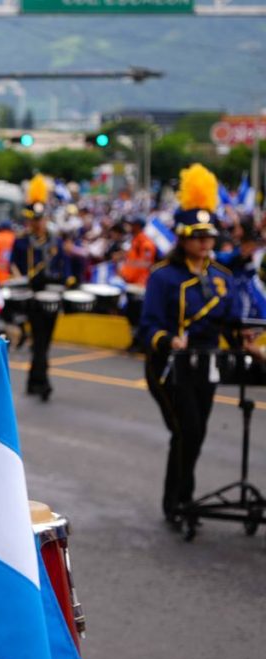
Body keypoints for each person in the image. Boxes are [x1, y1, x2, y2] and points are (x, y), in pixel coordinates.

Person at [138, 164, 255, 526]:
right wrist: (168, 340)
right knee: (186, 429)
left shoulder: (222, 277)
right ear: (182, 237)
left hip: (207, 363)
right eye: (197, 237)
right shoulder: (163, 276)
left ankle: (181, 500)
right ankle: (178, 502)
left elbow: (232, 321)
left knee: (197, 432)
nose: (206, 243)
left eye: (210, 237)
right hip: (169, 366)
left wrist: (245, 339)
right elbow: (147, 327)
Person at [11, 175, 73, 401]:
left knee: (44, 342)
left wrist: (67, 281)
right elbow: (14, 265)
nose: (38, 223)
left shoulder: (55, 242)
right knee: (39, 340)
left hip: (52, 295)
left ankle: (33, 380)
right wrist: (22, 280)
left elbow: (64, 267)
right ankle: (42, 383)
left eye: (41, 219)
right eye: (34, 219)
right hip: (32, 296)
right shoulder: (22, 241)